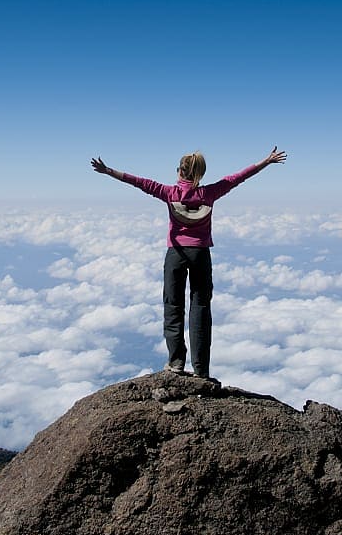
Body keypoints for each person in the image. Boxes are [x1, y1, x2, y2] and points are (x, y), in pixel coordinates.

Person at [90, 147, 287, 380]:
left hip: (175, 254)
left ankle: (176, 363)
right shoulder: (210, 193)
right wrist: (266, 161)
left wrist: (108, 171)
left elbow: (138, 182)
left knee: (173, 307)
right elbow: (238, 178)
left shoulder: (168, 192)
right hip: (200, 254)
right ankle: (201, 369)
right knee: (201, 308)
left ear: (179, 172)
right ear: (199, 174)